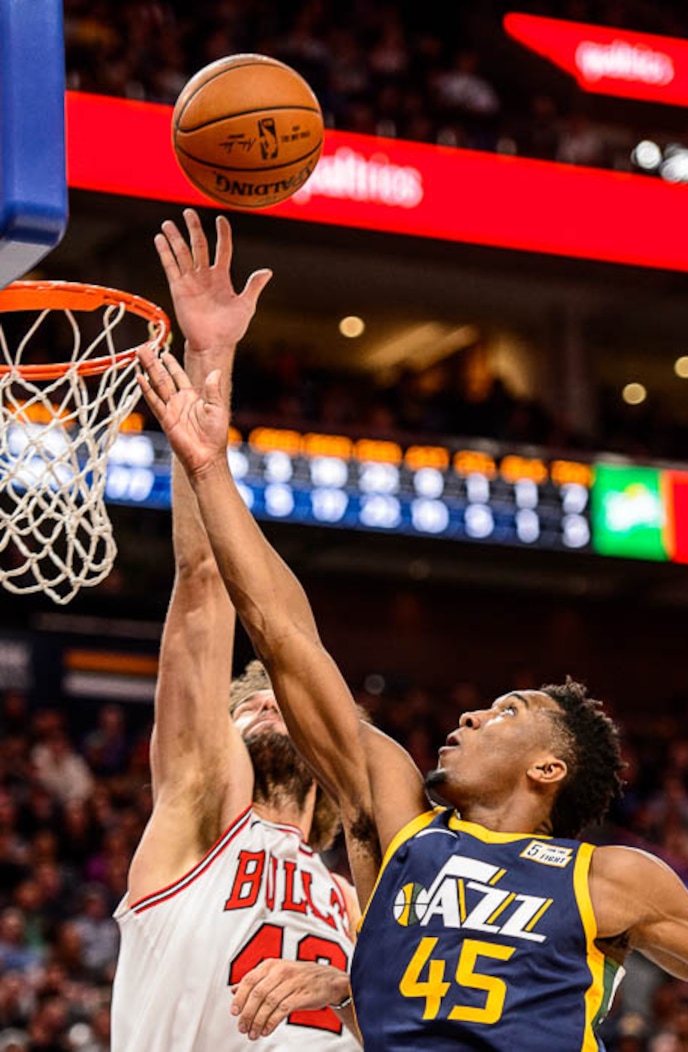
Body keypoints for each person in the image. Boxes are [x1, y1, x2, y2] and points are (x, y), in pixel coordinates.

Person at [137, 210, 688, 1051]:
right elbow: (286, 637)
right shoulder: (396, 817)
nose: (471, 716)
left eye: (506, 711)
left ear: (550, 767)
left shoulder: (614, 879)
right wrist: (212, 468)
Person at [112, 209, 361, 1050]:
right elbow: (206, 582)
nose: (266, 707)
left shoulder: (360, 892)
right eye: (248, 703)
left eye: (273, 701)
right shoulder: (202, 803)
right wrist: (210, 359)